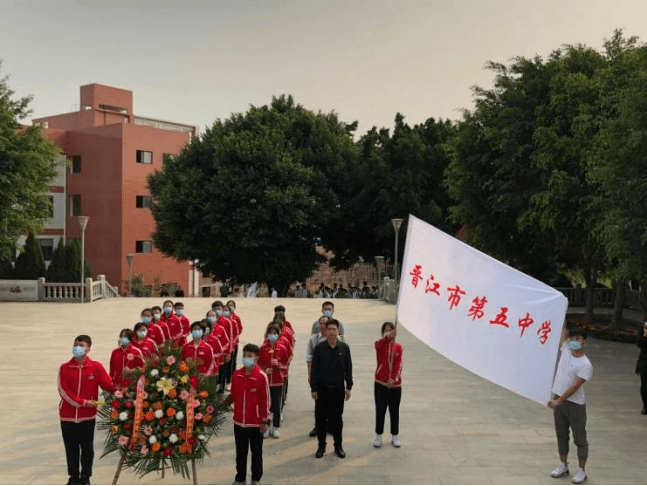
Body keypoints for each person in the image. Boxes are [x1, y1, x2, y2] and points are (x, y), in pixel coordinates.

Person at [58, 335, 114, 485]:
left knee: (87, 448)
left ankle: (85, 477)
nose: (77, 347)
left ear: (88, 349)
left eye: (81, 345)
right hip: (68, 416)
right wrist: (83, 402)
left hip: (87, 417)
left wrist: (122, 391)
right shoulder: (64, 367)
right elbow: (63, 391)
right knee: (71, 448)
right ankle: (73, 476)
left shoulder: (95, 367)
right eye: (75, 344)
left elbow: (108, 385)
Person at [547, 326, 593, 485]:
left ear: (584, 343)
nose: (573, 342)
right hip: (558, 400)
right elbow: (563, 329)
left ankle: (581, 470)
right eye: (572, 339)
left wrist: (559, 401)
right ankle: (563, 465)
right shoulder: (566, 349)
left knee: (579, 438)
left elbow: (574, 387)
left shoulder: (585, 365)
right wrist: (562, 302)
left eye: (578, 339)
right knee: (561, 434)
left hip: (575, 405)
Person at [221, 344, 270, 486]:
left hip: (255, 423)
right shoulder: (237, 375)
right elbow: (233, 395)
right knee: (240, 453)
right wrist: (222, 406)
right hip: (239, 422)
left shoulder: (261, 377)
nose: (246, 358)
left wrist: (264, 420)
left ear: (256, 358)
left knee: (256, 453)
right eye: (244, 355)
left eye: (250, 356)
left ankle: (256, 478)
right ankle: (240, 478)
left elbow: (265, 400)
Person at [310, 319, 353, 459]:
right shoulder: (319, 348)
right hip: (322, 390)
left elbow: (349, 369)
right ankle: (321, 446)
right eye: (329, 329)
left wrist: (349, 387)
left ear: (338, 331)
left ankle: (338, 445)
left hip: (338, 389)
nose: (332, 332)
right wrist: (314, 389)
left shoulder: (344, 348)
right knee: (321, 419)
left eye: (334, 329)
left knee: (337, 419)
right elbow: (314, 370)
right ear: (325, 331)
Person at [373, 322, 403, 448]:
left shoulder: (398, 347)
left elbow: (399, 364)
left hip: (395, 386)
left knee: (394, 411)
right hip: (380, 383)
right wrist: (387, 338)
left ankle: (394, 435)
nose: (388, 332)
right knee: (380, 410)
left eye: (391, 330)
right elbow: (380, 346)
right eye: (386, 330)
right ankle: (378, 436)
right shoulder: (379, 343)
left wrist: (394, 378)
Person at [258, 323, 289, 438]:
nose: (272, 336)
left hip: (277, 380)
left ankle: (275, 427)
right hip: (265, 381)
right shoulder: (263, 348)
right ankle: (265, 427)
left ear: (278, 335)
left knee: (276, 405)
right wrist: (264, 370)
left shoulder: (282, 348)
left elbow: (286, 362)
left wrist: (279, 365)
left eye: (275, 333)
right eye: (270, 333)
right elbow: (258, 363)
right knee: (265, 405)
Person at [306, 315, 330, 437]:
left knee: (331, 403)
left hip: (331, 377)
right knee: (318, 403)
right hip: (318, 375)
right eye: (320, 323)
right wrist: (310, 374)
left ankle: (330, 425)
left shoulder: (335, 339)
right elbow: (309, 357)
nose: (322, 325)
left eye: (324, 323)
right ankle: (318, 426)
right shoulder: (313, 339)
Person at [636, 321, 647, 415]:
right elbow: (640, 344)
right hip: (644, 364)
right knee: (644, 386)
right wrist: (645, 335)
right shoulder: (642, 338)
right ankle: (645, 406)